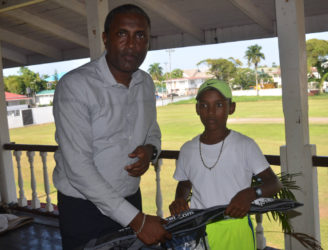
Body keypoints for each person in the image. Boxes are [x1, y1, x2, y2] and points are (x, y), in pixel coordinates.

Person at [53, 4, 171, 249]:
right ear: (106, 38)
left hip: (129, 199)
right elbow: (78, 169)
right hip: (84, 209)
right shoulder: (76, 86)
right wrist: (137, 221)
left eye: (140, 36)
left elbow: (152, 128)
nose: (132, 44)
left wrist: (151, 150)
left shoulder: (145, 82)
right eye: (122, 34)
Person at [169, 79, 282, 250]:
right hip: (198, 230)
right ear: (197, 109)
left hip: (236, 227)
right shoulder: (187, 149)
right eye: (205, 105)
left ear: (232, 108)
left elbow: (274, 183)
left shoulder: (245, 145)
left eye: (219, 105)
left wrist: (251, 193)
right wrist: (179, 199)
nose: (211, 112)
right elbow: (185, 183)